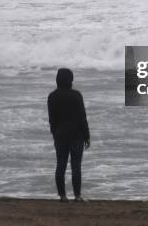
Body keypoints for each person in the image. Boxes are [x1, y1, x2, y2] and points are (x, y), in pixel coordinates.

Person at [47, 68, 90, 202]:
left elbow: (52, 119)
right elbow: (82, 117)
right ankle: (77, 196)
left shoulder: (52, 96)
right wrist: (86, 135)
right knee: (76, 166)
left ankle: (63, 196)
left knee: (61, 165)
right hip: (76, 134)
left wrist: (55, 134)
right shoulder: (76, 95)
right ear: (70, 80)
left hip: (60, 134)